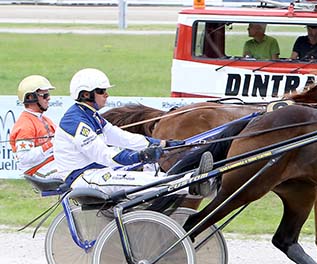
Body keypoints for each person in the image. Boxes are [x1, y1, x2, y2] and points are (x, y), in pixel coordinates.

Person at [53, 68, 213, 197]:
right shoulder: (75, 121)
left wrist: (163, 143)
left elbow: (123, 138)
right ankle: (192, 183)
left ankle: (194, 181)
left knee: (153, 175)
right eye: (101, 91)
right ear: (86, 94)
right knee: (146, 182)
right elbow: (104, 155)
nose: (107, 95)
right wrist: (140, 156)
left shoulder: (91, 115)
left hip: (97, 172)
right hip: (83, 178)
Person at [9, 75, 60, 179]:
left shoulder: (45, 120)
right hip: (37, 170)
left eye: (48, 94)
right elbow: (24, 158)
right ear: (31, 97)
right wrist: (50, 145)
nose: (49, 98)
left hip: (51, 163)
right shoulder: (25, 125)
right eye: (44, 95)